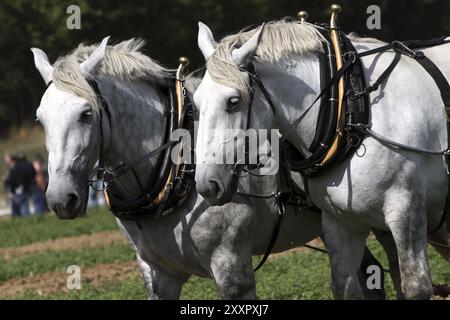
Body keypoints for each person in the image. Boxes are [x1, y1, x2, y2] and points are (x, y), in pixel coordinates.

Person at [3, 153, 36, 218]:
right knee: (23, 208)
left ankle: (20, 221)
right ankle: (25, 221)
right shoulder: (24, 165)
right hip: (22, 189)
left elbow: (14, 180)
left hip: (17, 190)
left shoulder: (16, 168)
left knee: (19, 209)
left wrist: (14, 189)